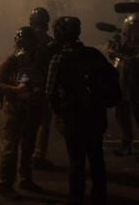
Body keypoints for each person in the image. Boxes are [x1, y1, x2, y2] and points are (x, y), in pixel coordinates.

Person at [46, 17, 121, 205]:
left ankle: (76, 198)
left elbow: (50, 91)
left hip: (73, 116)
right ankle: (99, 197)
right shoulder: (94, 54)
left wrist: (58, 113)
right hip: (96, 114)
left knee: (76, 162)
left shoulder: (59, 58)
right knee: (97, 158)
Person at [0, 27, 46, 201]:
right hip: (15, 109)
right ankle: (5, 184)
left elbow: (38, 80)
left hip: (32, 108)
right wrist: (15, 89)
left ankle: (25, 178)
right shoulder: (11, 61)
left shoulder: (36, 61)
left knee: (28, 145)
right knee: (11, 147)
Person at [107, 13, 139, 156]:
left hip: (136, 86)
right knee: (122, 115)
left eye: (133, 29)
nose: (130, 33)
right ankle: (127, 144)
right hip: (123, 85)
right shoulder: (125, 42)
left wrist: (117, 53)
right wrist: (112, 50)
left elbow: (132, 60)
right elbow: (115, 60)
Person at [29, 7, 56, 170]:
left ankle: (25, 155)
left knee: (25, 124)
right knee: (43, 124)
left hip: (26, 87)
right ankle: (38, 155)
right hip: (44, 87)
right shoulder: (50, 42)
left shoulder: (25, 40)